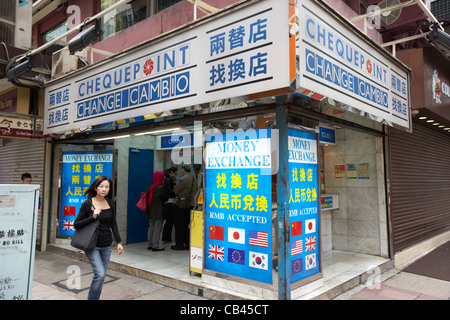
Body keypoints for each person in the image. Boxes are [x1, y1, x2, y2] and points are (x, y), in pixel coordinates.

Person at [73, 175, 123, 300]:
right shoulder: (87, 204)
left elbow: (114, 224)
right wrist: (93, 217)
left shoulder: (110, 203)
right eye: (101, 186)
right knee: (99, 274)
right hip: (92, 245)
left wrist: (119, 242)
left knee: (101, 276)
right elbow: (76, 224)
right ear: (95, 188)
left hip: (107, 245)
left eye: (107, 187)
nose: (104, 189)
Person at [172, 164, 198, 250]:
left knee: (179, 225)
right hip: (190, 204)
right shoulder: (194, 178)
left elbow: (175, 190)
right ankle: (188, 243)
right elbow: (195, 191)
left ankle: (179, 244)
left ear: (183, 170)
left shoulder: (183, 179)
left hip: (181, 204)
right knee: (188, 225)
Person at [145, 171, 169, 251]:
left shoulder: (150, 186)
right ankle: (155, 246)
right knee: (157, 228)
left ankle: (150, 244)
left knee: (151, 227)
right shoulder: (161, 187)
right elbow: (166, 198)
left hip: (150, 210)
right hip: (159, 211)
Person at [162, 166, 177, 244]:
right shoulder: (168, 180)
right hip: (169, 202)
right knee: (169, 221)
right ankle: (167, 237)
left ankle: (166, 237)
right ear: (172, 172)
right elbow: (170, 191)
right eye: (175, 173)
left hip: (170, 202)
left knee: (169, 221)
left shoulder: (169, 179)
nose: (176, 175)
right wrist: (175, 193)